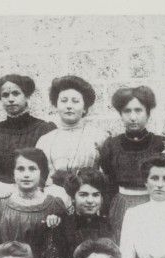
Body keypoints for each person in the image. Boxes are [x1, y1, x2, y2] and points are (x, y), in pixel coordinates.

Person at [99, 86, 165, 239]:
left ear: (148, 113)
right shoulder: (111, 145)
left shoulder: (161, 144)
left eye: (138, 110)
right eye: (127, 111)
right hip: (122, 205)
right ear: (121, 114)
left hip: (154, 203)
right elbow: (108, 182)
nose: (133, 117)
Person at [0, 74, 56, 205]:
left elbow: (49, 170)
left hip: (34, 194)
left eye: (16, 93)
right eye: (5, 95)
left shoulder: (45, 129)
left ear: (26, 96)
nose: (11, 99)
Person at [36, 75, 110, 209]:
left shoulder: (99, 137)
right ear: (56, 105)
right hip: (54, 205)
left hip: (88, 204)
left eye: (75, 101)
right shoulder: (45, 140)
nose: (69, 106)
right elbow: (39, 180)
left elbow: (106, 176)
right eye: (64, 101)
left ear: (85, 107)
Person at [64, 167, 114, 255]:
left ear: (101, 198)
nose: (90, 200)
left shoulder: (107, 226)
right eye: (83, 195)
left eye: (95, 195)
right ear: (73, 198)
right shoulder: (63, 226)